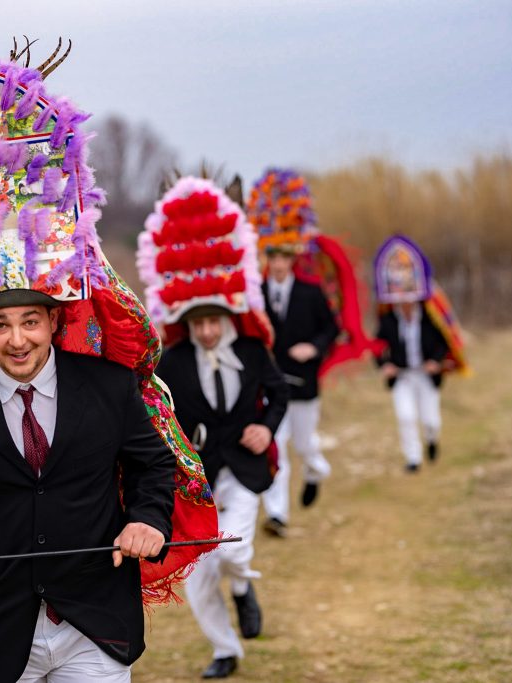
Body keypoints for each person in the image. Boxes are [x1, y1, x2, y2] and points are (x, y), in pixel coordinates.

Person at [0, 48, 218, 683]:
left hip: (95, 628)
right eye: (0, 325)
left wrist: (145, 519)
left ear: (55, 320)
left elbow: (151, 468)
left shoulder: (109, 390)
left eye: (31, 321)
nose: (17, 340)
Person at [138, 176, 288, 679]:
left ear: (227, 313)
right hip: (197, 476)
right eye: (197, 322)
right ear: (186, 319)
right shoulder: (173, 362)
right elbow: (158, 412)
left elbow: (279, 392)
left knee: (236, 550)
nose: (206, 330)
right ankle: (225, 650)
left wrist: (267, 428)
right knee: (201, 574)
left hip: (244, 468)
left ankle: (244, 587)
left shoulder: (251, 349)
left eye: (213, 320)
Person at [246, 169, 338, 537]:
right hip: (272, 383)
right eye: (273, 256)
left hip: (303, 384)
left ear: (293, 257)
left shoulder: (311, 292)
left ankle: (316, 471)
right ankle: (278, 514)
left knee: (305, 445)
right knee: (277, 446)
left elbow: (331, 328)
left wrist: (313, 347)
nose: (279, 263)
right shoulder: (257, 293)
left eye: (284, 256)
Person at [372, 234, 469, 472]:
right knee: (405, 417)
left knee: (431, 420)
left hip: (425, 375)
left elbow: (444, 341)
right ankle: (413, 459)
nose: (404, 303)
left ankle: (432, 439)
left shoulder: (429, 317)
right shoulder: (387, 320)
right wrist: (385, 365)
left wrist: (436, 363)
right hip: (403, 376)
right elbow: (378, 347)